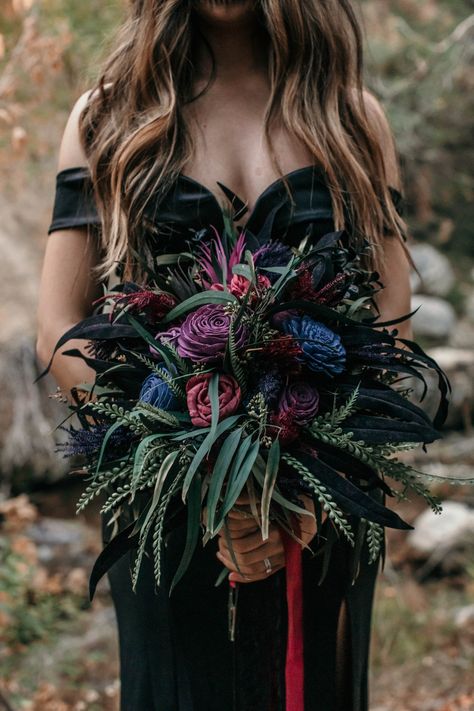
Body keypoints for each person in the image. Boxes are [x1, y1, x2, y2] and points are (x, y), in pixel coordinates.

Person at [36, 1, 413, 709]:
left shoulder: (352, 118)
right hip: (168, 512)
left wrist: (309, 480)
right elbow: (59, 325)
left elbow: (393, 321)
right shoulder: (108, 117)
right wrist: (195, 475)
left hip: (321, 509)